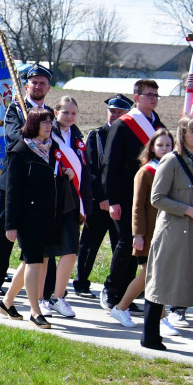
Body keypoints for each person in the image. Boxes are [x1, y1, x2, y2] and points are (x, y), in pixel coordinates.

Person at [142, 116, 193, 355]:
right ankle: (150, 336)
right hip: (173, 235)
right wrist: (190, 210)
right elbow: (157, 198)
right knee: (160, 286)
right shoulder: (170, 161)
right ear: (182, 134)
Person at [0, 64, 53, 295]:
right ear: (26, 86)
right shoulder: (15, 109)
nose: (38, 86)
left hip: (39, 184)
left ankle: (40, 287)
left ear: (48, 87)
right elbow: (14, 136)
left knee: (39, 236)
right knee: (5, 229)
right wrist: (34, 129)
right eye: (34, 82)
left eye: (42, 83)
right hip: (15, 180)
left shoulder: (49, 114)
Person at [101, 79, 166, 312]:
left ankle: (127, 295)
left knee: (141, 245)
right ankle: (111, 290)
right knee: (127, 241)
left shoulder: (157, 124)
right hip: (126, 194)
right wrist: (112, 199)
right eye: (149, 95)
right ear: (137, 98)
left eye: (156, 95)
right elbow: (110, 163)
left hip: (150, 196)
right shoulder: (124, 124)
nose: (154, 99)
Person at [0, 108, 65, 328]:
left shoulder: (52, 147)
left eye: (51, 122)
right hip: (27, 217)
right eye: (44, 122)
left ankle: (7, 302)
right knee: (35, 262)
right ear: (34, 124)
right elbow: (13, 191)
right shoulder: (20, 151)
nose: (48, 126)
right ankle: (35, 311)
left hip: (48, 215)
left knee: (37, 261)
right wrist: (11, 225)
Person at [108, 128, 174, 329]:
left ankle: (159, 318)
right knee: (149, 274)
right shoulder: (145, 171)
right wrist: (138, 234)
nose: (164, 148)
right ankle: (121, 308)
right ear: (152, 148)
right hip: (148, 233)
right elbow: (137, 206)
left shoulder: (173, 169)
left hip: (167, 232)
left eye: (168, 145)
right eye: (160, 145)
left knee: (157, 275)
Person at [41, 96, 92, 319]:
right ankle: (41, 297)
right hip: (51, 199)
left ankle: (57, 296)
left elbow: (85, 171)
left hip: (73, 199)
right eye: (65, 113)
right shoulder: (47, 134)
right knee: (45, 252)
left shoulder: (78, 137)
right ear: (56, 112)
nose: (69, 117)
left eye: (73, 113)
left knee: (71, 249)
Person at [74, 95, 130, 298]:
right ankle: (81, 283)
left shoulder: (129, 136)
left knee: (121, 246)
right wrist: (102, 197)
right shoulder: (96, 135)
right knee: (89, 243)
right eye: (112, 111)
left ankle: (119, 288)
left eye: (119, 112)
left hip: (122, 202)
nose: (115, 115)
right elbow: (92, 170)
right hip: (99, 202)